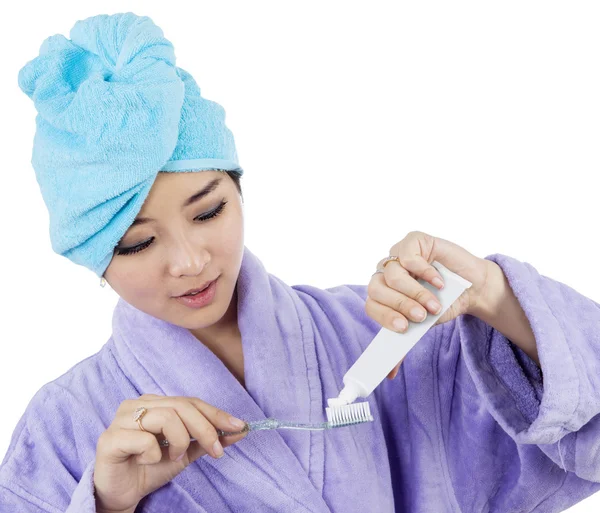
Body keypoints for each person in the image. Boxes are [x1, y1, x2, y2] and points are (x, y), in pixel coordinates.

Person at [1, 11, 599, 513]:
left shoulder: (384, 341)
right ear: (92, 256)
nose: (188, 261)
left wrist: (491, 295)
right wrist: (106, 503)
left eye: (208, 213)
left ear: (239, 193)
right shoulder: (64, 426)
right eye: (137, 243)